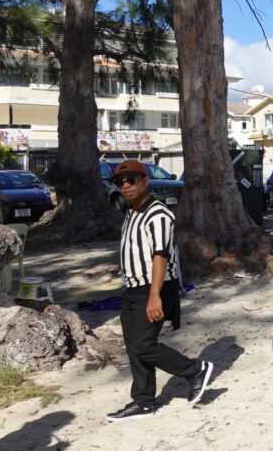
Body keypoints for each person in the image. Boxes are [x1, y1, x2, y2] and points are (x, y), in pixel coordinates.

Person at [106, 159, 214, 422]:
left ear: (146, 181)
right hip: (133, 287)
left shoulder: (159, 214)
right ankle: (143, 401)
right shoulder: (132, 212)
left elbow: (161, 256)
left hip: (155, 287)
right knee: (133, 345)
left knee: (143, 345)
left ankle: (195, 370)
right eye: (121, 182)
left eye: (132, 179)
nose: (126, 185)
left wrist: (154, 296)